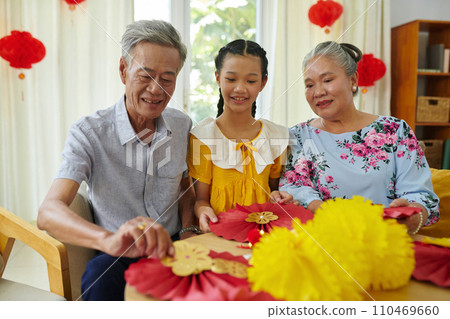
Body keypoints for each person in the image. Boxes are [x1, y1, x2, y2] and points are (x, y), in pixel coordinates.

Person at [37, 20, 197, 301]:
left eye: (167, 79)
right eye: (145, 75)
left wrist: (187, 229)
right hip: (117, 254)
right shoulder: (89, 132)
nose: (157, 89)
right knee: (98, 277)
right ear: (123, 70)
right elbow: (48, 212)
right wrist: (107, 240)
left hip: (174, 247)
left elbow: (185, 186)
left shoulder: (182, 124)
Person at [280, 41, 440, 234]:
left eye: (327, 80)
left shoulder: (394, 130)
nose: (318, 92)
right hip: (324, 242)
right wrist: (326, 211)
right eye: (309, 85)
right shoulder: (298, 136)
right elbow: (294, 187)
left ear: (353, 80)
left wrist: (415, 215)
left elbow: (421, 196)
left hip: (387, 240)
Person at [188, 39, 295, 233]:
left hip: (265, 237)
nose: (240, 88)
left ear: (263, 82)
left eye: (251, 81)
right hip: (218, 236)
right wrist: (203, 210)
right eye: (231, 79)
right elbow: (200, 200)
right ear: (217, 77)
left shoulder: (276, 137)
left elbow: (274, 191)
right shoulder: (203, 137)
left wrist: (280, 196)